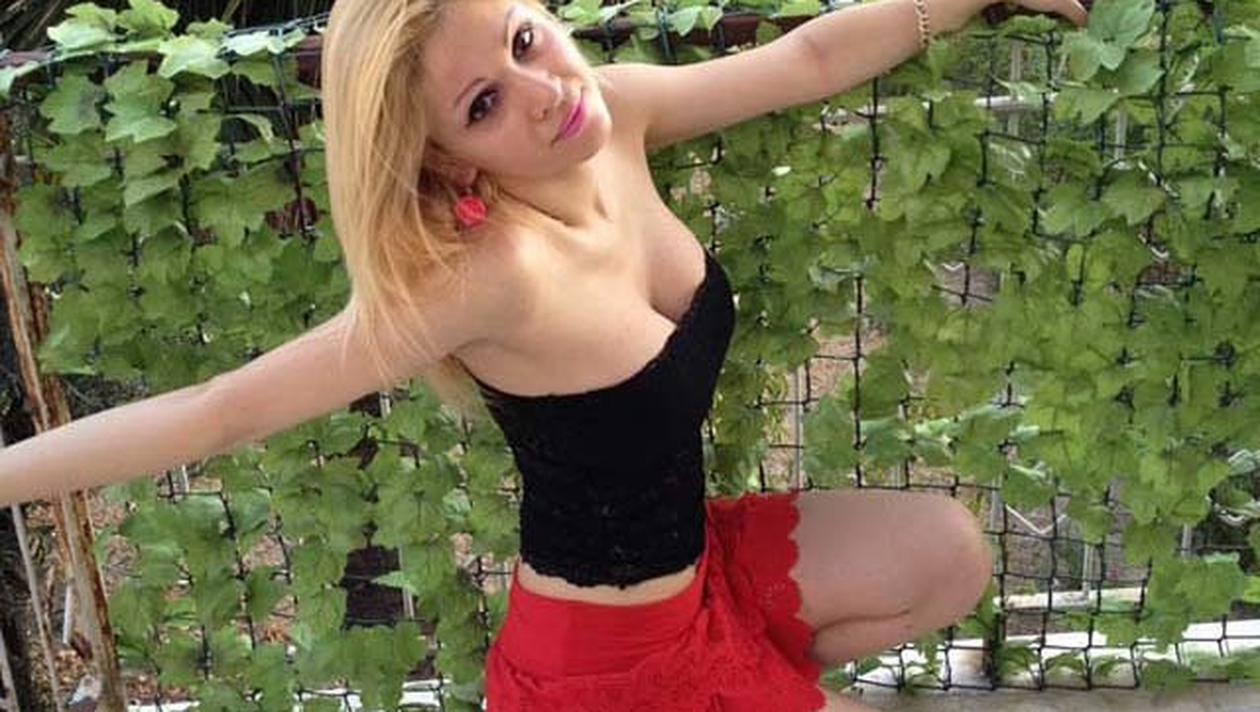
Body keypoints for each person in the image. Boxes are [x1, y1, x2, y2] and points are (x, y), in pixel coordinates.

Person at [0, 0, 1091, 709]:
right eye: (484, 104)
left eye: (525, 41)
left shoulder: (613, 110)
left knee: (949, 553)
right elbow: (217, 409)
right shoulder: (490, 278)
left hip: (704, 571)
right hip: (601, 668)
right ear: (443, 160)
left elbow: (807, 57)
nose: (545, 93)